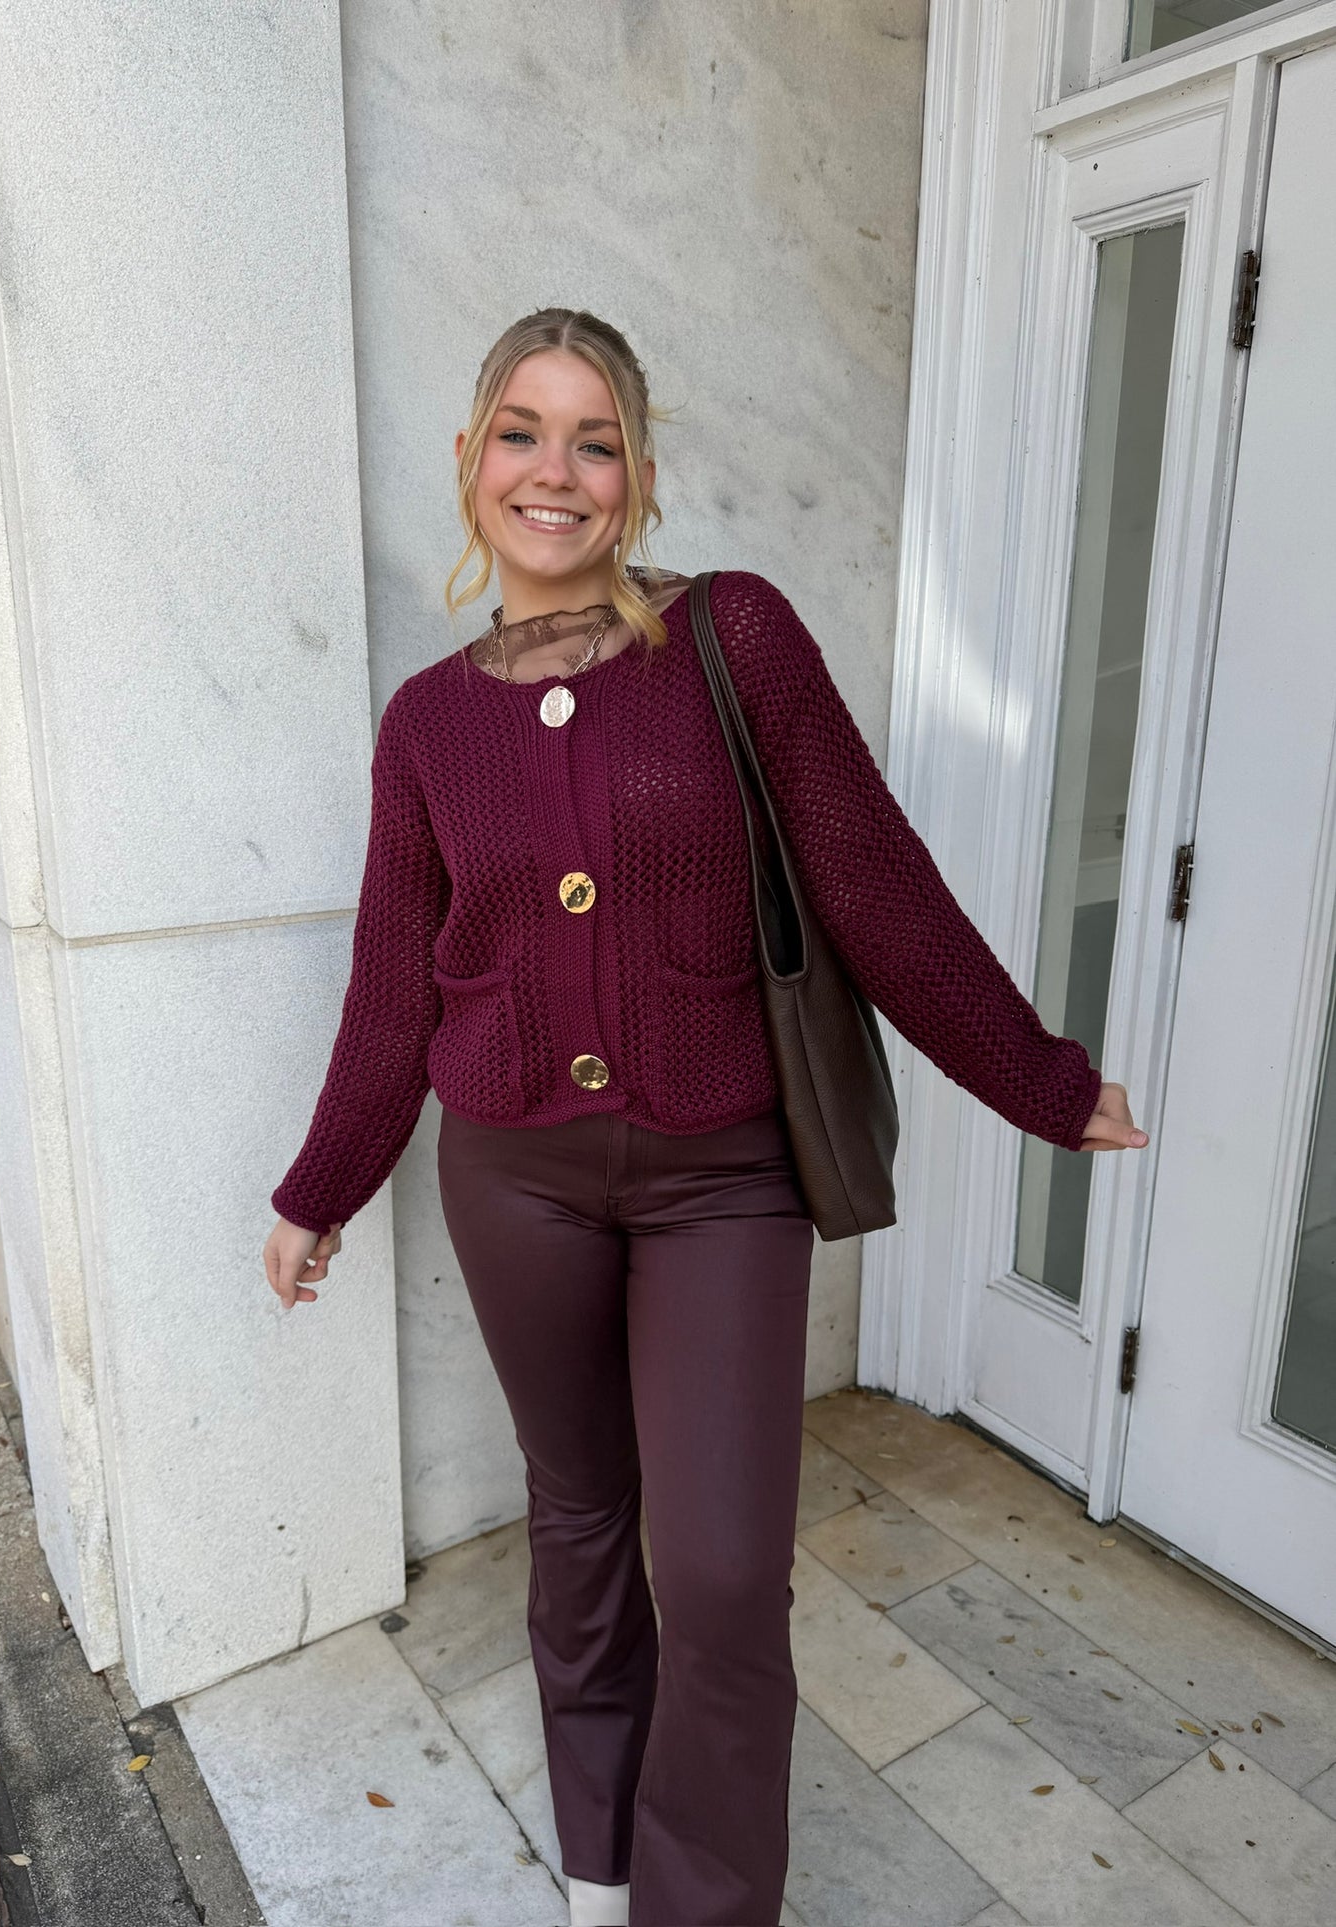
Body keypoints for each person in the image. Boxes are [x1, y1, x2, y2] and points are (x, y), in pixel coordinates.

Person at [262, 307, 1148, 1927]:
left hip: (720, 1178)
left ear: (641, 476)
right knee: (582, 1514)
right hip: (510, 1175)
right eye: (520, 432)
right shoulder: (425, 726)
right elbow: (394, 987)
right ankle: (597, 1864)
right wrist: (320, 1185)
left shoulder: (732, 639)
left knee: (726, 1574)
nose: (556, 470)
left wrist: (1033, 1073)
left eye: (593, 440)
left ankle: (699, 1903)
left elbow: (872, 882)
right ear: (469, 466)